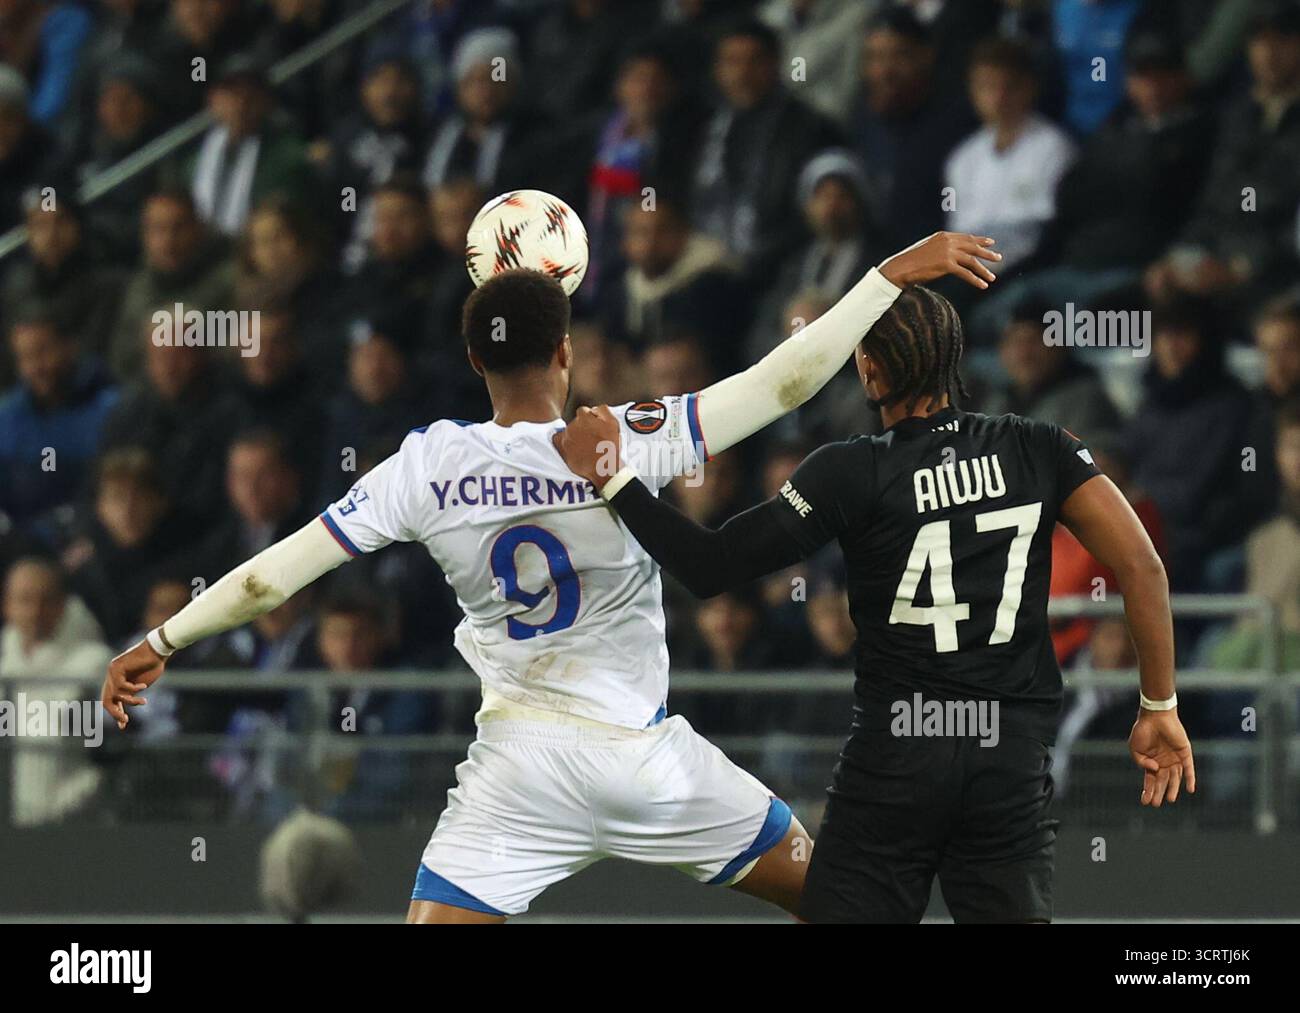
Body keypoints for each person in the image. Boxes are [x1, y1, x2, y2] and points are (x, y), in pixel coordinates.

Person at [100, 229, 998, 923]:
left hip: (518, 773)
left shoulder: (424, 465)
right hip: (649, 763)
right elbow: (783, 384)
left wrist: (162, 638)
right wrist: (887, 277)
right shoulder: (628, 436)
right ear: (565, 351)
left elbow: (272, 579)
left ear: (474, 361)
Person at [554, 279, 1195, 924]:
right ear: (955, 359)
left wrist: (613, 474)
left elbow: (708, 565)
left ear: (868, 368)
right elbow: (1142, 566)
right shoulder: (1039, 445)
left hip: (897, 757)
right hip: (1007, 757)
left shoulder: (849, 471)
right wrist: (1159, 705)